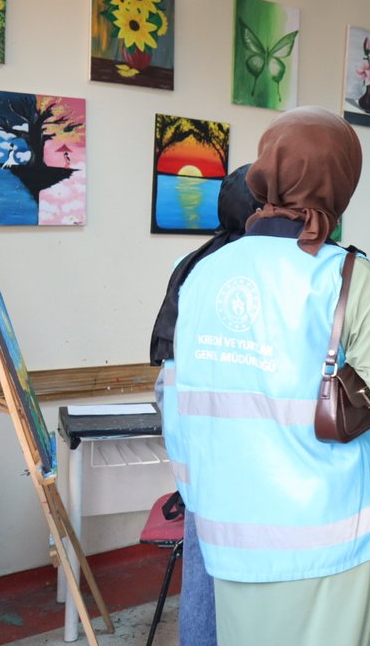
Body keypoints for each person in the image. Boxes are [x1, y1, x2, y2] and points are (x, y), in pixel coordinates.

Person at [162, 107, 370, 646]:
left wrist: (205, 504)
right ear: (339, 184)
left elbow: (179, 406)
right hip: (329, 544)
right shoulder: (344, 275)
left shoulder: (203, 275)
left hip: (231, 540)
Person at [150, 164, 257, 646]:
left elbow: (165, 367)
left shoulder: (193, 264)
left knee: (202, 573)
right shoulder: (253, 269)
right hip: (240, 458)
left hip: (196, 452)